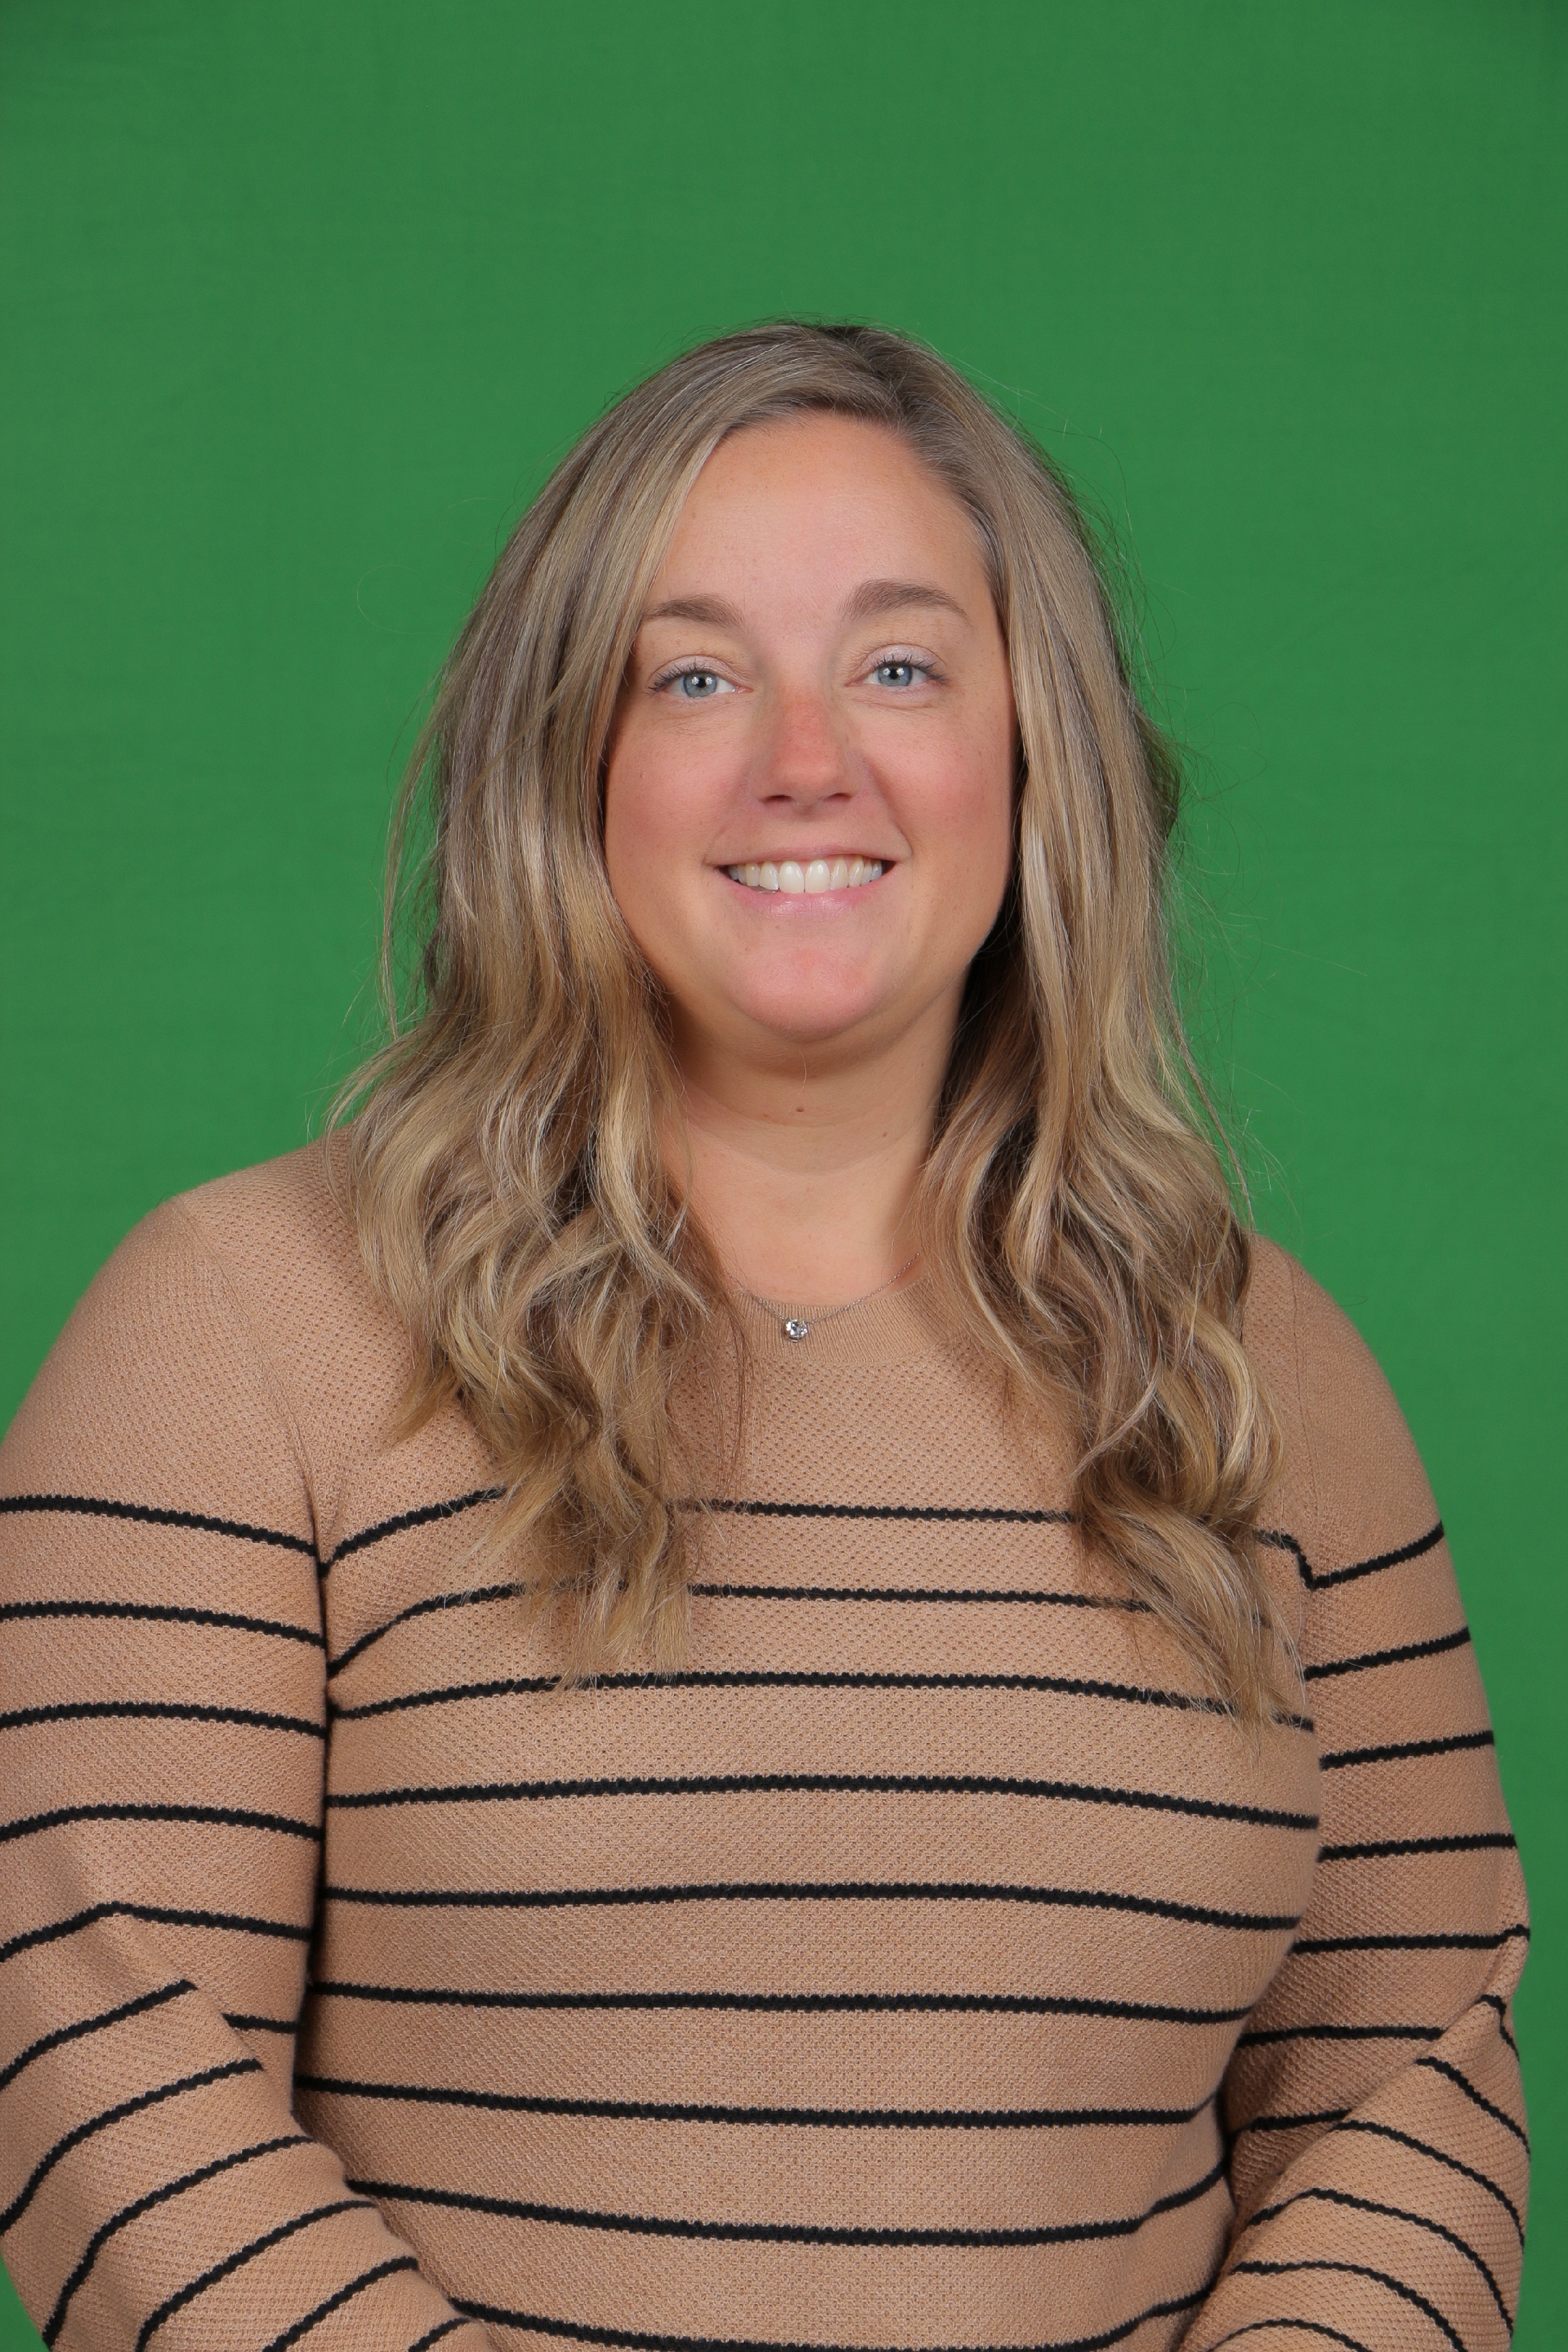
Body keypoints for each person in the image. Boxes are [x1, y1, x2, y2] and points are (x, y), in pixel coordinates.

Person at [0, 323, 1527, 2352]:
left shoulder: (1257, 1366)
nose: (807, 760)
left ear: (1035, 753)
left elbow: (1408, 2083)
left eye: (899, 667)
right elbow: (109, 2069)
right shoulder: (238, 1327)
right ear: (570, 764)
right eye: (695, 677)